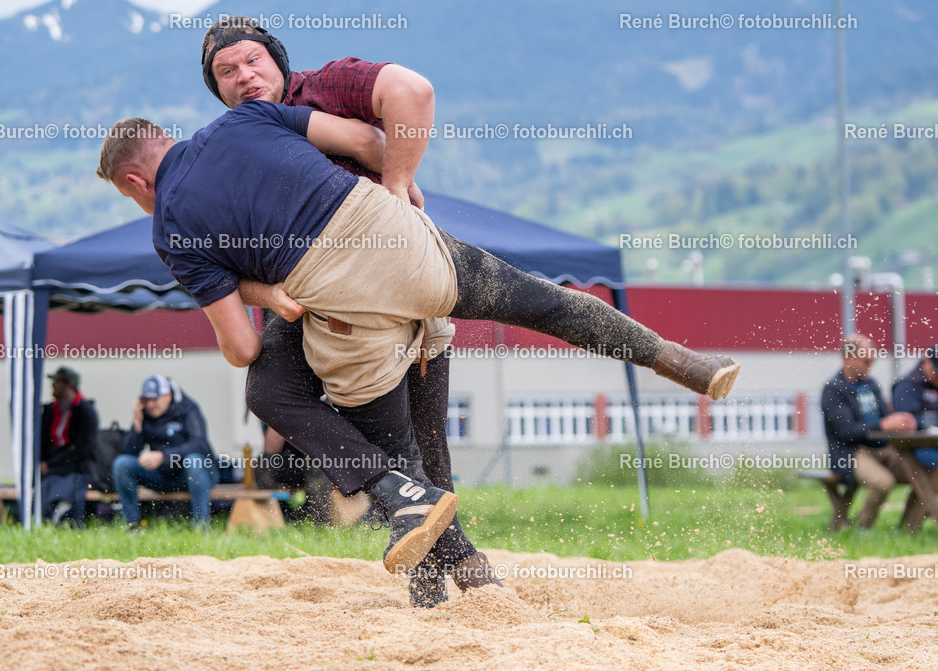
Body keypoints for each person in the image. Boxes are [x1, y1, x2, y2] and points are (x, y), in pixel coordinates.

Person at [96, 102, 741, 574]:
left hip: (346, 295)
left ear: (135, 183)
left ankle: (426, 534)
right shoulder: (246, 119)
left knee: (380, 448)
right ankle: (678, 358)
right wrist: (399, 192)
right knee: (540, 300)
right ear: (167, 137)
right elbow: (369, 141)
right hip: (396, 229)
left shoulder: (170, 224)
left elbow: (241, 347)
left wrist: (254, 290)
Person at [198, 16, 491, 605]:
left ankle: (442, 575)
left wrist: (396, 185)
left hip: (395, 284)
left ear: (279, 62)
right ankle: (448, 548)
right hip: (309, 301)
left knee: (425, 436)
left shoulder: (329, 87)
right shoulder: (229, 142)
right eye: (225, 72)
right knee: (272, 392)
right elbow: (213, 250)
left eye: (252, 61)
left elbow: (413, 92)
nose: (243, 77)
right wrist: (267, 294)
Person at [821, 334, 931, 530]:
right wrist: (884, 425)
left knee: (925, 473)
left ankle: (908, 528)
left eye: (873, 360)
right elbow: (846, 432)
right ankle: (863, 529)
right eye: (866, 361)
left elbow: (885, 419)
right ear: (848, 358)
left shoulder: (872, 385)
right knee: (883, 483)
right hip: (852, 453)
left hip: (883, 448)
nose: (870, 365)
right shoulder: (833, 390)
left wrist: (901, 424)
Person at [112, 375, 219, 529]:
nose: (150, 404)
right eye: (146, 400)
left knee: (193, 461)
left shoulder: (187, 409)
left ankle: (201, 527)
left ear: (168, 396)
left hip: (194, 474)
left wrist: (164, 457)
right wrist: (137, 422)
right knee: (122, 464)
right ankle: (132, 526)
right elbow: (130, 451)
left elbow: (200, 445)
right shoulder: (145, 416)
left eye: (154, 399)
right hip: (162, 475)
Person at [40, 366, 98, 526]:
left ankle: (64, 513)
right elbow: (42, 442)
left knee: (72, 482)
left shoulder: (85, 411)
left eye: (56, 382)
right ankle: (50, 515)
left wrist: (50, 464)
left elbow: (82, 448)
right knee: (47, 483)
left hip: (77, 466)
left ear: (69, 385)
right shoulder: (49, 411)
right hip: (54, 467)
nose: (52, 386)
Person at [891, 344, 938, 530]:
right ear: (926, 362)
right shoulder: (906, 385)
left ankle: (909, 525)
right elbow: (907, 423)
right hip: (914, 450)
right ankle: (911, 526)